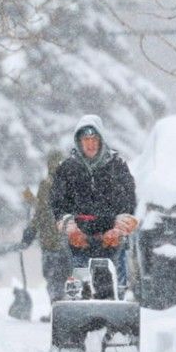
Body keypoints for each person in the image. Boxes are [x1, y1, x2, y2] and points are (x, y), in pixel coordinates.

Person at [49, 115, 138, 289]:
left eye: (94, 139)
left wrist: (117, 230)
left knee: (114, 285)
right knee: (78, 284)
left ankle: (116, 300)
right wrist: (71, 227)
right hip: (78, 241)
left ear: (101, 140)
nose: (90, 144)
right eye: (85, 139)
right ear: (79, 141)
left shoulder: (117, 166)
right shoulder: (67, 168)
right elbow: (58, 204)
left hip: (112, 241)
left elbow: (129, 202)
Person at [21, 150, 69, 305]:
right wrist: (32, 229)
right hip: (53, 241)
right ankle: (58, 309)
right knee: (55, 277)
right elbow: (41, 211)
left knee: (58, 277)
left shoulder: (68, 185)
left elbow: (43, 211)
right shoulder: (48, 185)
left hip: (60, 242)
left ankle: (60, 309)